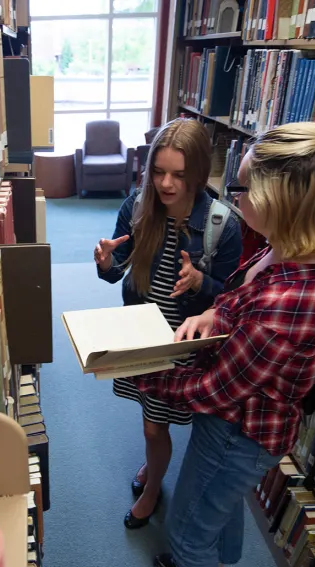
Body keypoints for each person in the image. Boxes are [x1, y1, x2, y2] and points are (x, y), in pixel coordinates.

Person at [132, 122, 315, 567]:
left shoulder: (289, 305)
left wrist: (138, 373)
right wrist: (215, 313)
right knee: (220, 502)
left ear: (283, 201)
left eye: (243, 187)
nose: (232, 194)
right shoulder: (289, 253)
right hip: (242, 420)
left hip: (239, 433)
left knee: (186, 533)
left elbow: (212, 390)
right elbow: (241, 295)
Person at [94, 118, 243, 529]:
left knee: (154, 426)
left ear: (197, 173)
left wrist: (200, 282)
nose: (166, 184)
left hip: (180, 344)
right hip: (141, 335)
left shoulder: (223, 225)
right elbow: (118, 268)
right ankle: (154, 468)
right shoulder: (137, 207)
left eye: (178, 175)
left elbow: (231, 300)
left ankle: (154, 484)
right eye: (158, 172)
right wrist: (106, 263)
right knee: (151, 420)